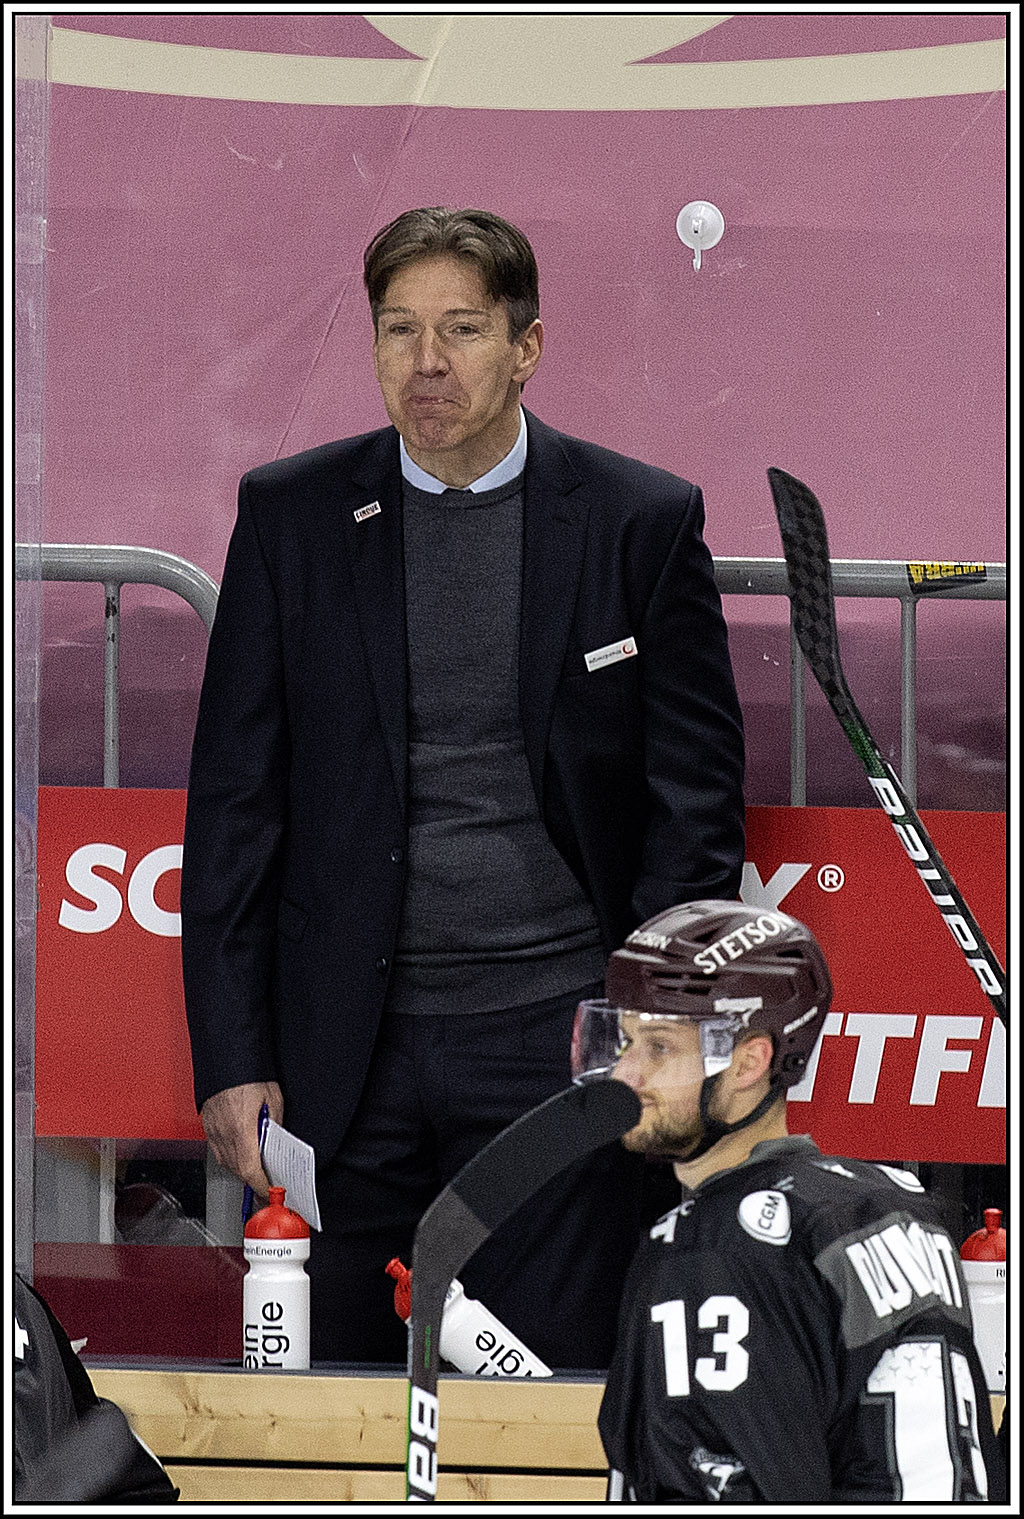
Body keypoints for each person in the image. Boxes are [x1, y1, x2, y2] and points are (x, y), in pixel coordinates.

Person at [180, 207, 745, 1367]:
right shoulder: (289, 516)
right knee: (326, 1398)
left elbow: (693, 806)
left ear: (526, 347)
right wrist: (231, 1053)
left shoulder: (640, 520)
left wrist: (652, 1031)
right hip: (343, 1055)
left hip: (555, 1040)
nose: (425, 363)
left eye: (460, 329)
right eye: (397, 330)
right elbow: (236, 803)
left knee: (555, 1393)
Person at [573, 900, 1004, 1502]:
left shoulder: (711, 1249)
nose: (626, 1073)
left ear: (750, 1061)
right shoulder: (898, 1207)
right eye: (625, 1042)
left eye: (661, 1047)